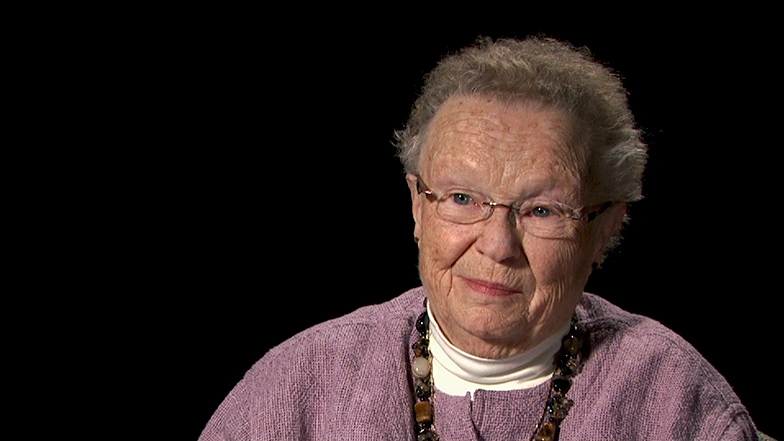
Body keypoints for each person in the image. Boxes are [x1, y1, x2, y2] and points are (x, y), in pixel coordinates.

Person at [198, 36, 769, 440]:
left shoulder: (676, 399)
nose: (497, 245)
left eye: (542, 210)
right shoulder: (298, 383)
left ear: (605, 228)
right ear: (418, 206)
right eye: (463, 199)